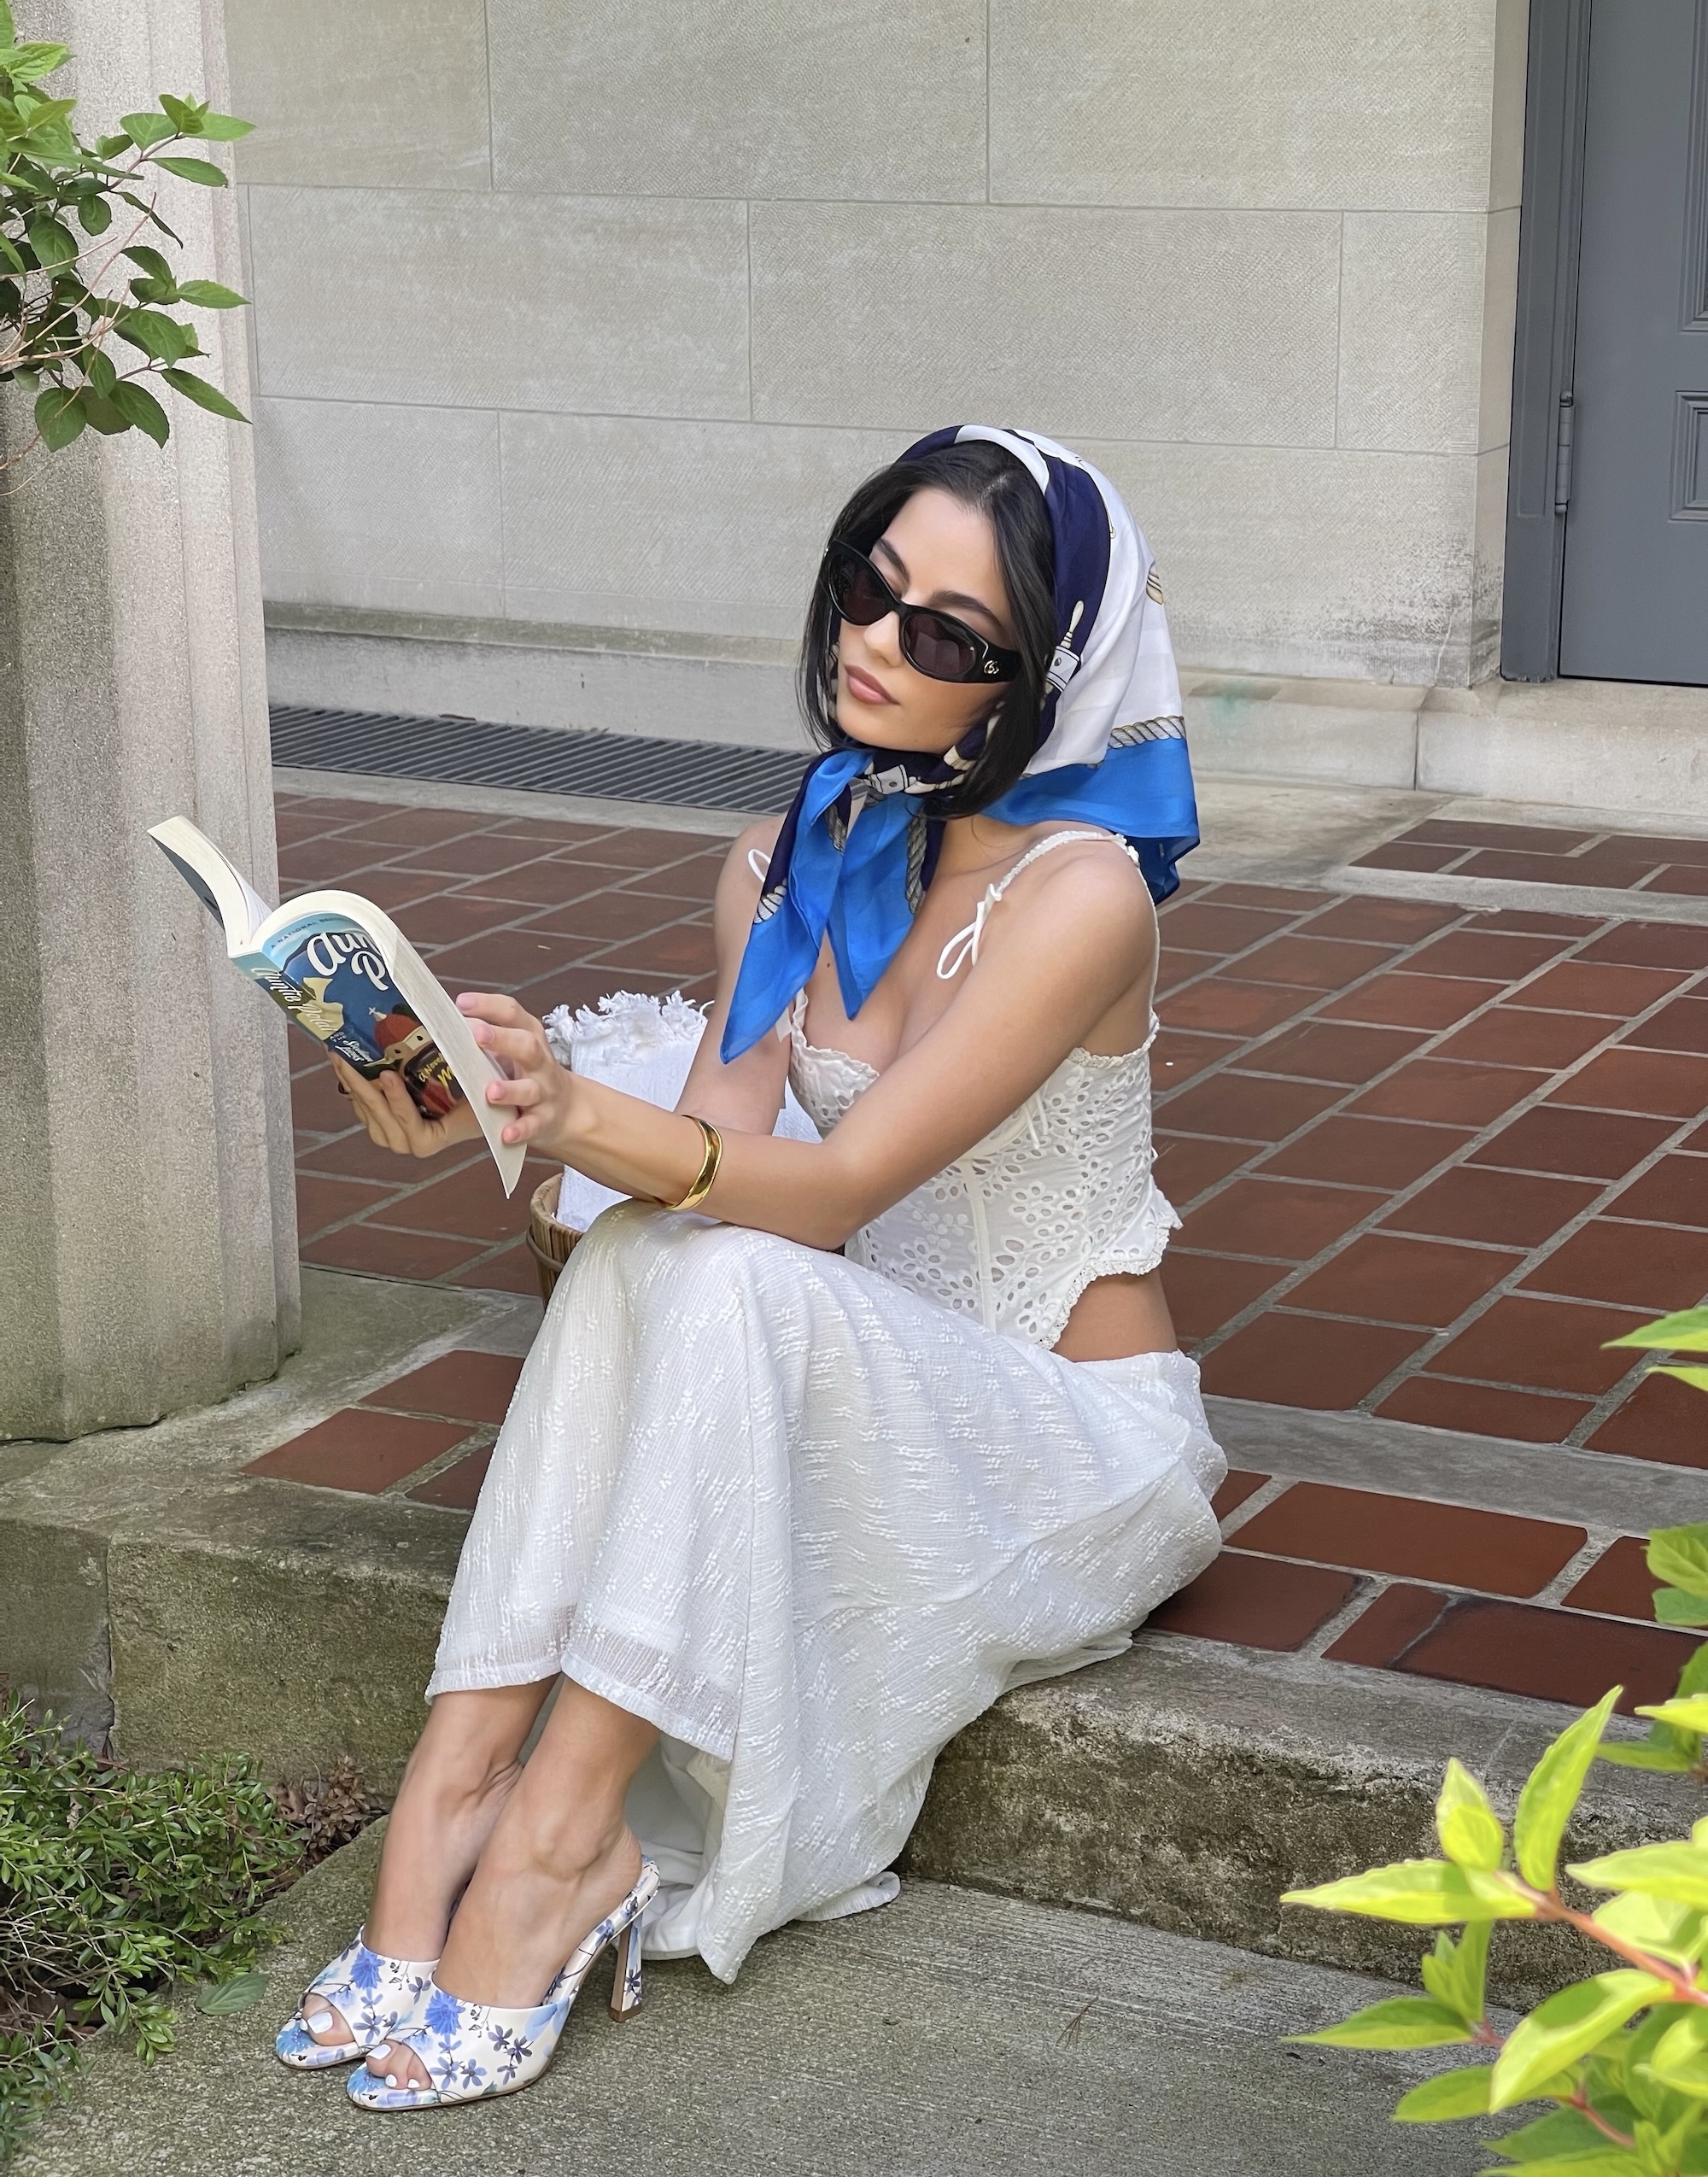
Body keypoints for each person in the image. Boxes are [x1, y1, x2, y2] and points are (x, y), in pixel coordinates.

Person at [274, 425, 1226, 2112]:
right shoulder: (800, 850)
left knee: (715, 1268)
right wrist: (501, 1121)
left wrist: (580, 1112)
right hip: (860, 1385)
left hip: (1071, 1451)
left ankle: (564, 1841)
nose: (877, 639)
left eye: (946, 633)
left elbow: (843, 1178)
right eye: (871, 584)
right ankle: (459, 1781)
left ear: (1039, 676)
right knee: (663, 1254)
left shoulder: (1086, 898)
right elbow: (714, 1169)